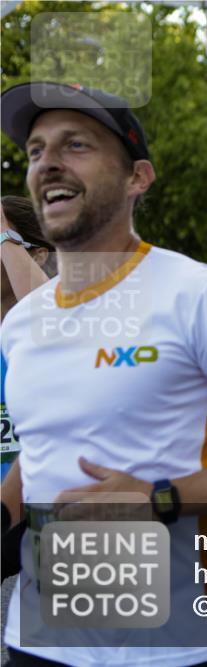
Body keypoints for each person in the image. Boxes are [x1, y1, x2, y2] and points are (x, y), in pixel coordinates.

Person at [0, 81, 207, 666]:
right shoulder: (23, 321)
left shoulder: (198, 295)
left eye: (76, 144)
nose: (48, 161)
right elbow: (41, 447)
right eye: (35, 149)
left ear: (138, 178)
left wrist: (162, 499)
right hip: (39, 643)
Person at [1, 196, 57, 579]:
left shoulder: (57, 320)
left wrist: (4, 233)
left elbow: (45, 307)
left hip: (50, 503)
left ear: (36, 255)